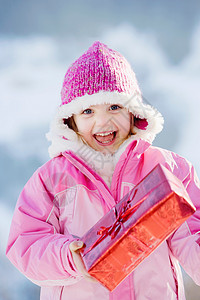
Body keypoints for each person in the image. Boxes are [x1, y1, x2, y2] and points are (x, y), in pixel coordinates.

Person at [6, 41, 200, 300]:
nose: (103, 121)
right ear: (70, 120)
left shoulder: (167, 170)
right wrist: (69, 257)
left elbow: (192, 235)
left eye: (114, 107)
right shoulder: (52, 179)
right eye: (88, 111)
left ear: (133, 112)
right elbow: (26, 243)